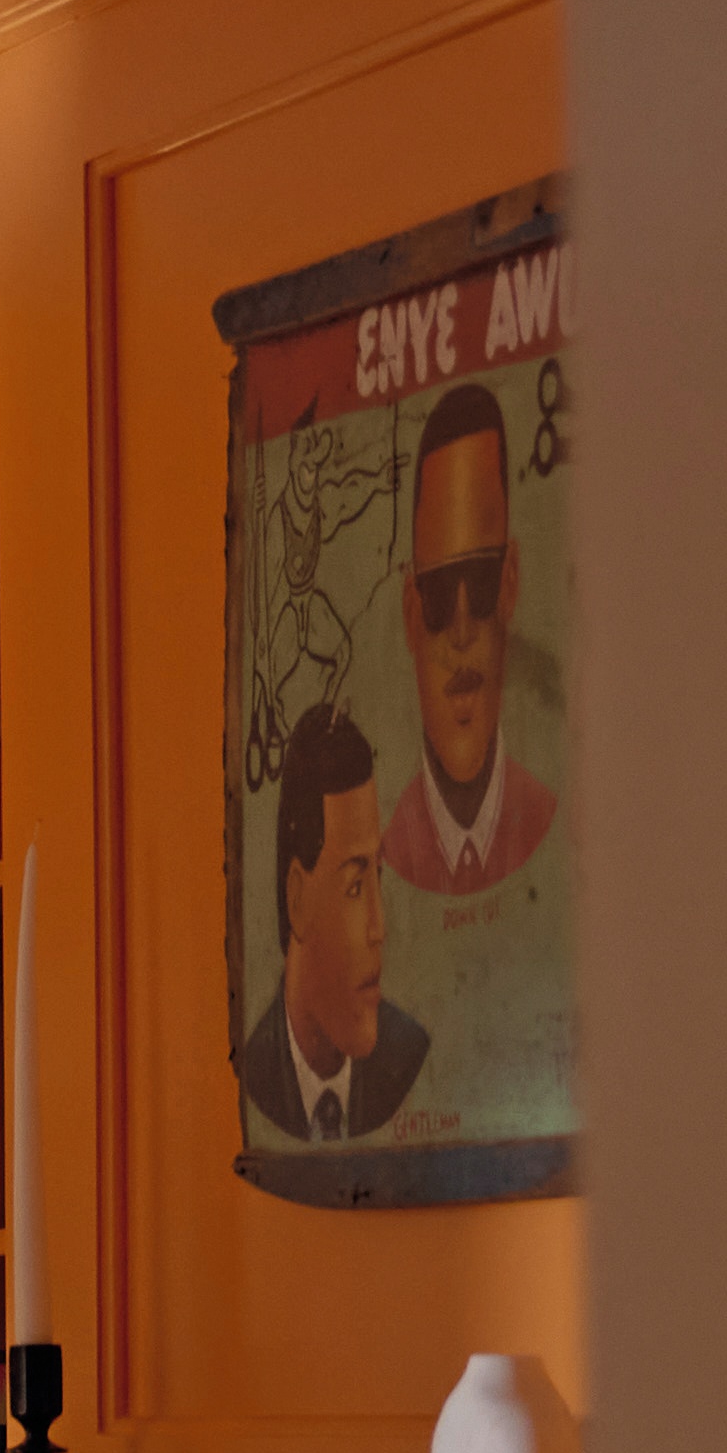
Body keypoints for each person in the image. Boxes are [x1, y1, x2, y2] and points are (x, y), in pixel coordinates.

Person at [380, 387, 557, 896]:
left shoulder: (548, 822)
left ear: (509, 584)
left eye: (479, 582)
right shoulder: (388, 851)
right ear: (412, 614)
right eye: (438, 592)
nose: (460, 630)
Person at [235, 701, 435, 1143]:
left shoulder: (407, 1059)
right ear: (297, 900)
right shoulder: (252, 1074)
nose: (379, 928)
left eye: (376, 877)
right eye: (354, 887)